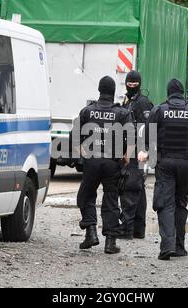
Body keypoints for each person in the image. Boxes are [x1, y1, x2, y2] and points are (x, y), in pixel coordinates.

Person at [139, 79, 188, 260]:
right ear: (182, 93)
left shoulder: (159, 110)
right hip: (186, 163)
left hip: (165, 163)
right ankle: (179, 247)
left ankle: (167, 247)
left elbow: (147, 136)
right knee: (180, 204)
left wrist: (151, 151)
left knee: (165, 204)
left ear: (168, 92)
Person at [75, 76, 134, 254]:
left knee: (85, 196)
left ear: (100, 90)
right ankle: (110, 243)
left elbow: (75, 138)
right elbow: (131, 137)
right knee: (111, 200)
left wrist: (84, 154)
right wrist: (127, 156)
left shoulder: (87, 111)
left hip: (92, 161)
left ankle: (91, 233)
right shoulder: (122, 112)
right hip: (112, 163)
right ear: (113, 91)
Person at [119, 71, 154, 240]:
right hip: (130, 149)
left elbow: (146, 129)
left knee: (131, 187)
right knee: (138, 189)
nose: (131, 87)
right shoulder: (128, 101)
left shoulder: (143, 103)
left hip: (136, 151)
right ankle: (138, 230)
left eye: (134, 84)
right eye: (129, 84)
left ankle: (127, 229)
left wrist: (143, 150)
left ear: (140, 84)